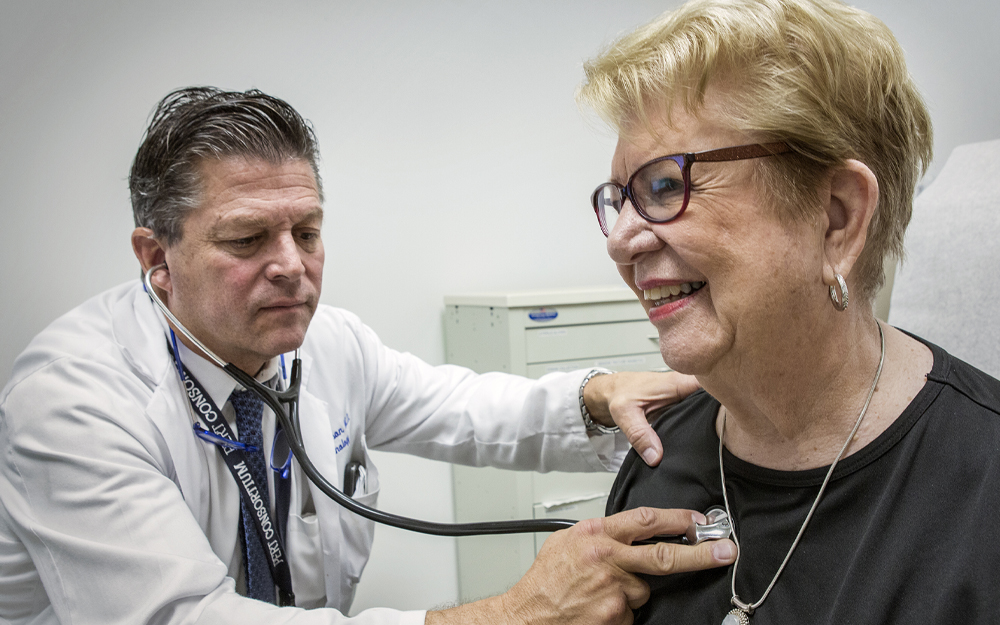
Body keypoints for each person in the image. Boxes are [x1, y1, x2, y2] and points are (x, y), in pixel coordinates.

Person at [0, 87, 737, 625]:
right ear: (157, 257)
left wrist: (598, 394)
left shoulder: (324, 344)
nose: (291, 265)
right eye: (247, 240)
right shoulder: (74, 400)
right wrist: (511, 613)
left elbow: (465, 409)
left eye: (308, 231)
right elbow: (184, 618)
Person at [577, 0, 1000, 622]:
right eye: (619, 200)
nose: (619, 241)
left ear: (836, 218)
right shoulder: (659, 458)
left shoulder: (983, 489)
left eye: (665, 186)